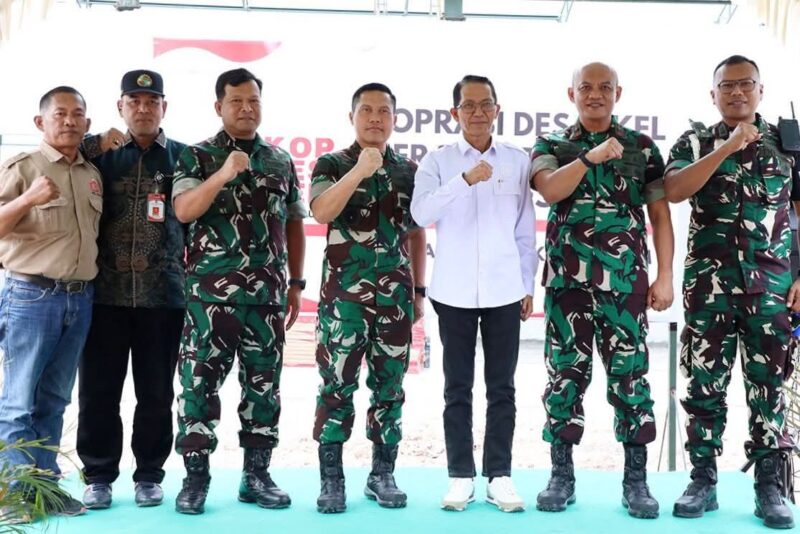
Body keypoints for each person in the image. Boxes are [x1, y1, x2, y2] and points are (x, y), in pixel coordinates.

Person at [529, 62, 674, 520]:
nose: (595, 94)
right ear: (570, 93)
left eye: (604, 87)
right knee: (564, 377)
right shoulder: (552, 145)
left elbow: (660, 214)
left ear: (618, 93)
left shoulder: (642, 147)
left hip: (625, 283)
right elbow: (549, 191)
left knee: (631, 378)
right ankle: (561, 475)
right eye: (586, 87)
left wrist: (665, 275)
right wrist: (588, 158)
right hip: (567, 284)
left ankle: (636, 480)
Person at [664, 54, 800, 530]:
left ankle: (769, 486)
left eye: (746, 84)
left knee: (769, 388)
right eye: (727, 86)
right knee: (704, 387)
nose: (737, 92)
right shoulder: (694, 141)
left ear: (761, 90)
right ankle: (702, 480)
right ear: (713, 94)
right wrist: (725, 148)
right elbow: (675, 190)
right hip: (710, 289)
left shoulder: (788, 144)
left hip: (771, 290)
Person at [170, 68, 307, 515]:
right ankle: (195, 479)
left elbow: (293, 222)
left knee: (263, 389)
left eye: (253, 101)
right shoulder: (196, 156)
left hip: (266, 298)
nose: (246, 108)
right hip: (210, 300)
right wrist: (223, 174)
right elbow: (184, 210)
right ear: (219, 107)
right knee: (198, 388)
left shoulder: (280, 160)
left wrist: (296, 284)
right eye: (236, 101)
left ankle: (257, 475)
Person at [410, 74, 537, 513]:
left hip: (505, 289)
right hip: (454, 291)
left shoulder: (517, 160)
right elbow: (420, 212)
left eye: (486, 105)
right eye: (469, 105)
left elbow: (524, 228)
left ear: (497, 110)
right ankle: (460, 476)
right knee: (457, 388)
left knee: (502, 388)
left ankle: (499, 476)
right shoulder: (437, 162)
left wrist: (526, 283)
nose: (478, 113)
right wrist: (463, 180)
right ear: (455, 113)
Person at [309, 83, 426, 514]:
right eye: (367, 110)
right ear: (352, 116)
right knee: (336, 386)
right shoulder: (332, 163)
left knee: (390, 388)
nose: (375, 118)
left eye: (384, 111)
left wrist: (418, 291)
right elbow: (321, 211)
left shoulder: (409, 171)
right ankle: (332, 479)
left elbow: (416, 232)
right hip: (344, 301)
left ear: (394, 118)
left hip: (394, 298)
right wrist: (359, 170)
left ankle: (382, 474)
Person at [77, 69, 186, 510]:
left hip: (164, 297)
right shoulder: (100, 156)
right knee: (98, 392)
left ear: (164, 107)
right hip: (104, 295)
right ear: (120, 107)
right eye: (134, 101)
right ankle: (98, 475)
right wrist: (93, 142)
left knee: (156, 393)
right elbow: (57, 152)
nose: (143, 109)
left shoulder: (183, 158)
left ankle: (149, 475)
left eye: (152, 101)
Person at [0, 86, 102, 519]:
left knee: (55, 400)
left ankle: (45, 489)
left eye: (77, 114)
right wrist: (27, 199)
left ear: (87, 123)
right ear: (40, 122)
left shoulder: (90, 173)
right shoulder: (23, 167)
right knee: (18, 402)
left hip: (79, 299)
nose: (69, 121)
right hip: (31, 296)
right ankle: (15, 494)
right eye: (60, 113)